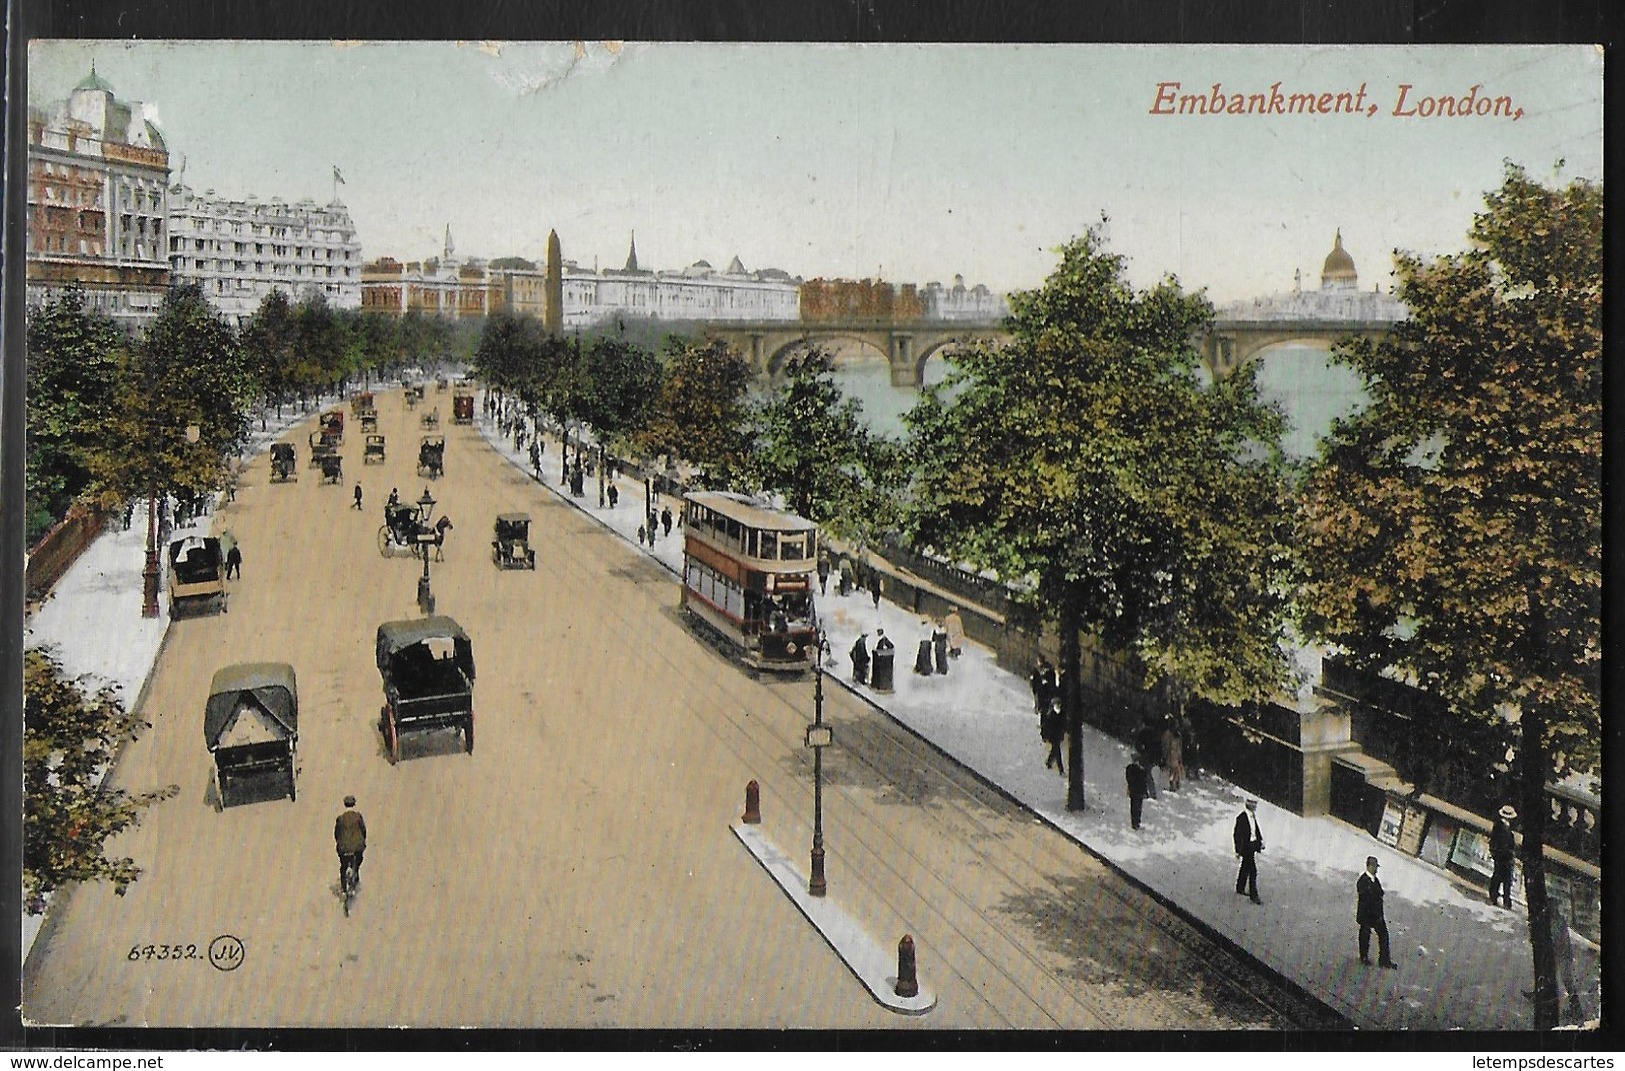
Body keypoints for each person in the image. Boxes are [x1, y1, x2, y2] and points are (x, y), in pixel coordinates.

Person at [1356, 856, 1398, 968]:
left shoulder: (1376, 880)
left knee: (1384, 935)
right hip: (1366, 914)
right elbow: (1366, 899)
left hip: (1377, 915)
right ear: (1369, 866)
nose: (1376, 869)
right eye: (1374, 866)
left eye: (1376, 866)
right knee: (1365, 934)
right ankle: (1363, 957)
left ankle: (1384, 960)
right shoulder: (1363, 881)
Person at [1234, 798, 1264, 904]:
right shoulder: (1241, 818)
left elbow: (1256, 830)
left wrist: (1260, 842)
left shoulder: (1252, 816)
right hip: (1246, 847)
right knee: (1253, 871)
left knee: (1245, 867)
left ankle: (1240, 887)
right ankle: (1253, 895)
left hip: (1252, 846)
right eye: (1254, 804)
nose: (1255, 806)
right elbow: (1237, 835)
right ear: (1249, 805)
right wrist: (1237, 850)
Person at [335, 795, 367, 889]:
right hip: (357, 847)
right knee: (358, 861)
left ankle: (343, 888)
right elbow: (363, 830)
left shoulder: (340, 818)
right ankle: (355, 872)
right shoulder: (358, 817)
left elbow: (336, 833)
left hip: (344, 848)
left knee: (343, 866)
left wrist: (339, 842)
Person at [1488, 805, 1517, 909]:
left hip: (1501, 856)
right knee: (1504, 878)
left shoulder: (1501, 826)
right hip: (1504, 857)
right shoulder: (1503, 828)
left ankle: (1497, 896)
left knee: (1500, 877)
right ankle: (1502, 899)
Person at [1041, 696, 1066, 777]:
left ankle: (1049, 762)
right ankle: (1061, 770)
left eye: (1059, 705)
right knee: (1057, 751)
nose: (1058, 706)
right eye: (1056, 705)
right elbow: (1046, 727)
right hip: (1053, 736)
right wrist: (1045, 736)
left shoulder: (1062, 714)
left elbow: (1063, 725)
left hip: (1058, 735)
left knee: (1055, 750)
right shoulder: (1050, 715)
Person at [1125, 758, 1150, 829]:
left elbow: (1129, 779)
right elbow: (1144, 781)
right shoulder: (1141, 770)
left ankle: (1134, 823)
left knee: (1133, 807)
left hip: (1133, 791)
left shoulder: (1129, 768)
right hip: (1139, 792)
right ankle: (1136, 823)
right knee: (1138, 808)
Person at [1162, 718, 1185, 791]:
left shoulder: (1167, 734)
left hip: (1171, 753)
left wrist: (1165, 754)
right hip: (1177, 753)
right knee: (1176, 769)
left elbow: (1165, 745)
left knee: (1172, 770)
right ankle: (1176, 782)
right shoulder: (1178, 735)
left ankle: (1172, 784)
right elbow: (1180, 745)